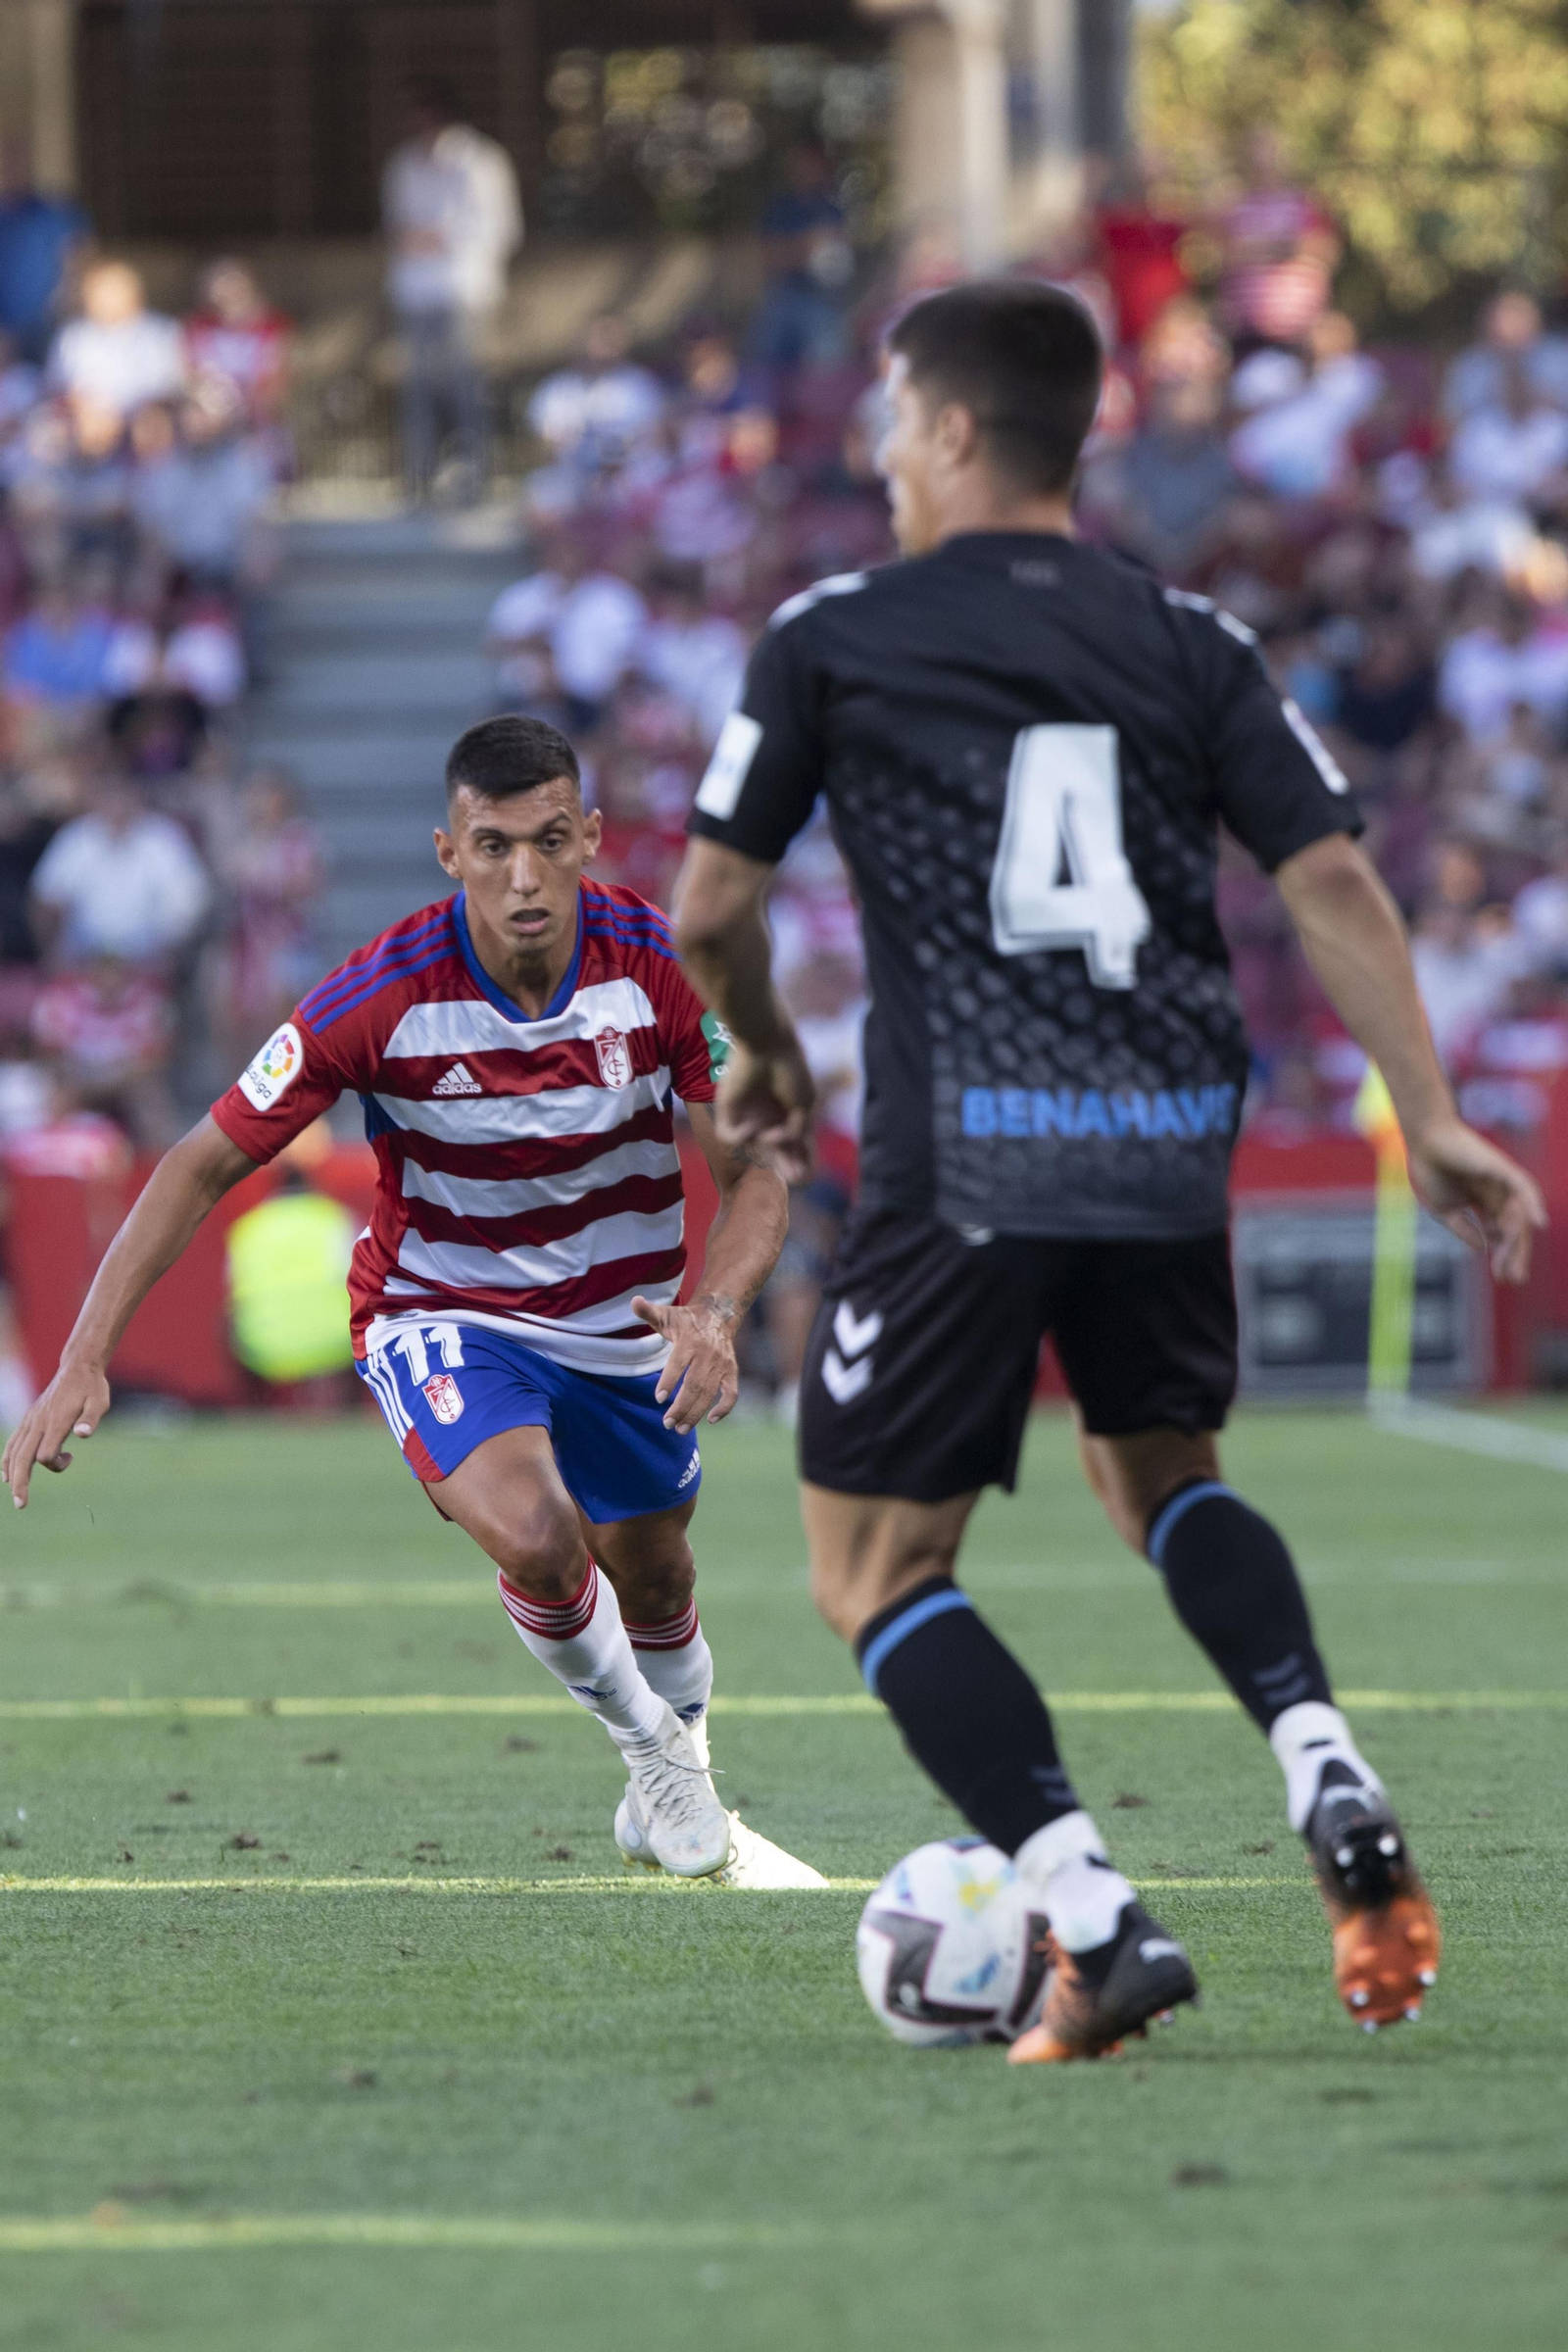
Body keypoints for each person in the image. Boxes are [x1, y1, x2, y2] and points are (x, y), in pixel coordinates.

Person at [672, 280, 1545, 2061]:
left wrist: (757, 1047)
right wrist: (1433, 1111)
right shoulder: (1192, 636)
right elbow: (1334, 883)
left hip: (965, 1159)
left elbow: (710, 901)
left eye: (898, 424)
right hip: (1163, 1143)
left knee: (877, 1574)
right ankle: (1326, 1764)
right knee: (1162, 1475)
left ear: (959, 433)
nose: (883, 457)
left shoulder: (835, 630)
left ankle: (1095, 1917)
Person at [4, 713, 819, 1893]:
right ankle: (656, 1755)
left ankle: (675, 1764)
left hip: (626, 1325)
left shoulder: (668, 969)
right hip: (447, 1310)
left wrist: (716, 1310)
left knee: (655, 1574)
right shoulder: (376, 995)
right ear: (449, 851)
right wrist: (85, 1353)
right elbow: (196, 1163)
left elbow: (757, 1176)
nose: (524, 877)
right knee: (541, 1540)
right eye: (493, 847)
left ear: (590, 836)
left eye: (549, 841)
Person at [381, 78, 521, 503]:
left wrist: (443, 238)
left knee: (467, 384)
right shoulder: (403, 163)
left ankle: (475, 475)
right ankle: (419, 477)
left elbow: (500, 229)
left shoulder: (481, 161)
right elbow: (397, 229)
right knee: (417, 387)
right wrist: (423, 238)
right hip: (414, 293)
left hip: (463, 291)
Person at [0, 136, 90, 367]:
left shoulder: (57, 214)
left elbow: (80, 266)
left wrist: (64, 307)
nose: (8, 165)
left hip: (50, 332)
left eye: (14, 157)